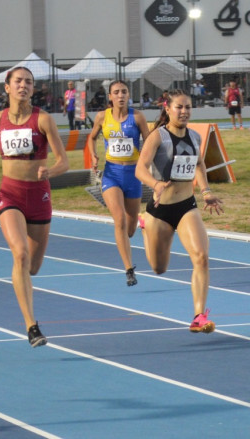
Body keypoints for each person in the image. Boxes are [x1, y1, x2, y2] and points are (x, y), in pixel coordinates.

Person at [0, 67, 69, 347]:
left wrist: (50, 172)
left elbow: (63, 161)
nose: (24, 86)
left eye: (29, 82)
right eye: (18, 81)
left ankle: (24, 285)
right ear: (6, 88)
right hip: (11, 195)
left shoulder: (42, 119)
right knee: (19, 254)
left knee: (32, 267)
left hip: (39, 196)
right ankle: (31, 325)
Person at [135, 89, 224, 333]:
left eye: (188, 107)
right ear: (167, 108)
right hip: (160, 210)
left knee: (202, 257)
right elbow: (140, 168)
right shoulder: (158, 137)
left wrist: (206, 192)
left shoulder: (195, 137)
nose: (184, 112)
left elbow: (199, 164)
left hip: (187, 206)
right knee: (158, 268)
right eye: (179, 107)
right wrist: (155, 184)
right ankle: (144, 226)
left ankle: (198, 316)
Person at [88, 80, 151, 286]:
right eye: (116, 92)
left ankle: (139, 223)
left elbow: (149, 143)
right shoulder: (102, 117)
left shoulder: (138, 117)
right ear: (110, 96)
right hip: (112, 174)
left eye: (124, 92)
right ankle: (129, 270)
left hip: (133, 175)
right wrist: (94, 156)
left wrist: (146, 160)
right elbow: (92, 138)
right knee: (119, 221)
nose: (121, 95)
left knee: (130, 229)